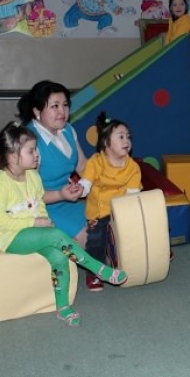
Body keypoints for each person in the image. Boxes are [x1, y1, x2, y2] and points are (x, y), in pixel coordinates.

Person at [0, 122, 127, 327]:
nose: (37, 155)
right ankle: (99, 269)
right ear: (13, 157)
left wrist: (42, 219)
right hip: (8, 236)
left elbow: (39, 203)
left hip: (32, 232)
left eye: (36, 150)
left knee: (59, 258)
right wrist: (34, 222)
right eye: (31, 151)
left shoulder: (33, 177)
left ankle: (63, 307)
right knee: (56, 235)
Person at [17, 81, 88, 247]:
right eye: (55, 106)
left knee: (107, 222)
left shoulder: (67, 129)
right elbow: (29, 195)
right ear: (37, 112)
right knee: (89, 239)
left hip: (68, 200)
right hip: (40, 208)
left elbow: (83, 166)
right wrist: (61, 195)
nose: (62, 111)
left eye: (65, 105)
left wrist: (110, 178)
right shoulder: (30, 141)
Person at [78, 112, 142, 292]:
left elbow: (132, 194)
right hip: (98, 212)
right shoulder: (95, 162)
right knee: (96, 240)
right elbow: (86, 183)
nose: (126, 140)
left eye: (128, 137)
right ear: (106, 142)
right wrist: (79, 189)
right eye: (121, 137)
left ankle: (154, 249)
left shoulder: (133, 167)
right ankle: (95, 271)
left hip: (121, 210)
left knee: (141, 227)